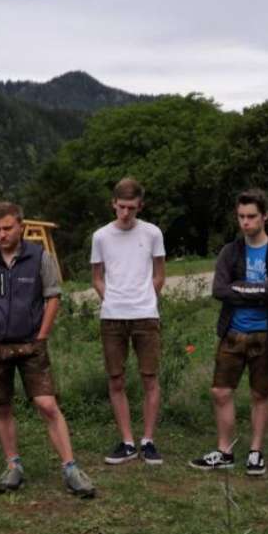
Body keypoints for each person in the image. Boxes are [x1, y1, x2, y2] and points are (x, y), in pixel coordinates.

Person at [0, 201, 95, 498]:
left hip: (31, 344)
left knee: (47, 405)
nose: (2, 235)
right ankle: (13, 465)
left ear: (21, 227)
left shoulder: (40, 256)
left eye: (7, 228)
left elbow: (53, 296)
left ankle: (71, 468)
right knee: (2, 405)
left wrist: (41, 335)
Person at [191, 189, 268, 474]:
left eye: (251, 216)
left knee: (260, 394)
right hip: (233, 332)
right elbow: (219, 290)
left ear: (265, 216)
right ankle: (225, 451)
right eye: (241, 217)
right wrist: (255, 292)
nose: (245, 222)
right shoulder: (231, 250)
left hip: (266, 333)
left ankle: (255, 452)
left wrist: (240, 288)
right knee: (220, 391)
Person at [92, 178, 167, 466]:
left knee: (149, 376)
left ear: (140, 206)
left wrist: (148, 297)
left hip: (145, 315)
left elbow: (160, 272)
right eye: (121, 207)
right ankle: (126, 441)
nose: (125, 214)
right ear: (113, 203)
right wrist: (108, 298)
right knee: (116, 378)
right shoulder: (100, 236)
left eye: (131, 208)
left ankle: (148, 440)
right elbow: (96, 276)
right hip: (112, 317)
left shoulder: (152, 233)